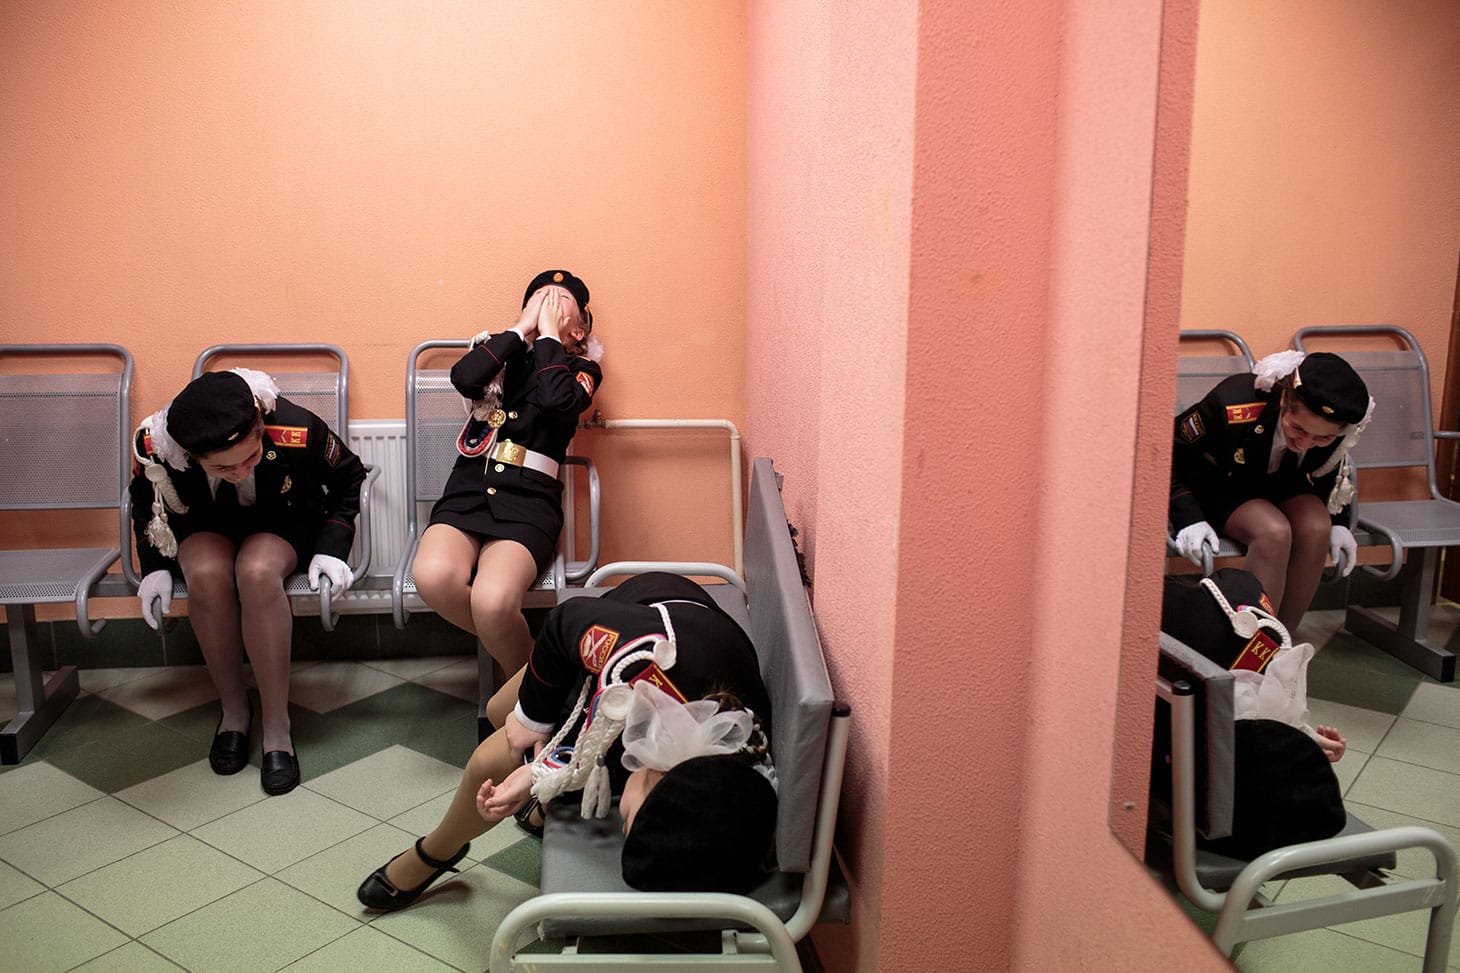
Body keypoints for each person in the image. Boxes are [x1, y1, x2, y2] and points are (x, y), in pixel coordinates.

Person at [357, 572, 779, 911]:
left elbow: (605, 758)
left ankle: (436, 851)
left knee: (497, 760)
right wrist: (533, 721)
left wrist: (537, 776)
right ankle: (478, 826)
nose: (622, 819)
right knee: (505, 716)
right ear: (658, 774)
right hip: (627, 626)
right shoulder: (641, 656)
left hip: (667, 680)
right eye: (627, 816)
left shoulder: (733, 768)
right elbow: (566, 619)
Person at [130, 368, 366, 795]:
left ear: (260, 428)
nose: (239, 471)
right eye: (223, 466)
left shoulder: (294, 425)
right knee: (204, 573)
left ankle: (277, 725)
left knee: (255, 573)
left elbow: (349, 476)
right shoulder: (158, 446)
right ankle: (234, 711)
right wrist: (154, 566)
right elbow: (146, 498)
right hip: (206, 523)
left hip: (282, 520)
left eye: (250, 457)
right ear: (190, 454)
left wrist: (332, 546)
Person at [412, 269, 604, 694]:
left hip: (528, 503)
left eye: (560, 300)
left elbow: (558, 402)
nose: (547, 301)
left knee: (491, 602)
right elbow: (464, 377)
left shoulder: (581, 369)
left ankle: (523, 696)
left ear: (579, 329)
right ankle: (535, 672)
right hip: (468, 489)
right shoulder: (501, 353)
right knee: (432, 577)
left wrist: (551, 339)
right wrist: (521, 329)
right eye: (539, 296)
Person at [1170, 350, 1373, 632]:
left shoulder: (1341, 430)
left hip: (1281, 484)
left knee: (1316, 526)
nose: (1305, 443)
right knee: (1273, 532)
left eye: (1322, 437)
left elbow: (1330, 468)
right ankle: (1249, 649)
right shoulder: (1233, 403)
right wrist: (1187, 515)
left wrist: (1338, 520)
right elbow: (1172, 452)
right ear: (1283, 401)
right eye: (1298, 429)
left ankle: (1279, 645)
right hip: (1221, 486)